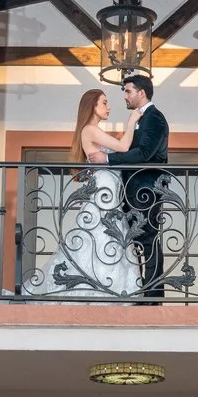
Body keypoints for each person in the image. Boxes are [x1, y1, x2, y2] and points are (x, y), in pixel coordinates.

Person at [46, 88, 139, 297]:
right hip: (102, 192)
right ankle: (92, 289)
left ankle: (109, 287)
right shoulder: (89, 130)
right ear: (92, 106)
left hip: (110, 193)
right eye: (104, 102)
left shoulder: (96, 132)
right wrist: (132, 120)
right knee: (98, 235)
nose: (109, 107)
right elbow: (124, 147)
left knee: (109, 237)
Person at [106, 73, 171, 298]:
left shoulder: (155, 118)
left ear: (141, 93)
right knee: (137, 239)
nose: (125, 95)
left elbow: (144, 153)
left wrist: (107, 160)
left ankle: (153, 295)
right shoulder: (140, 118)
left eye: (128, 91)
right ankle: (143, 289)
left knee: (148, 238)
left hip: (147, 190)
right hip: (134, 189)